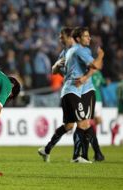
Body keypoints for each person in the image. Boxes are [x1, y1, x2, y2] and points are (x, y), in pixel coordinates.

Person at [38, 27, 104, 163]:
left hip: (83, 90)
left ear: (69, 37)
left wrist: (85, 77)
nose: (59, 39)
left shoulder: (78, 50)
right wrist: (101, 55)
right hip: (74, 90)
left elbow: (92, 68)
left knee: (69, 125)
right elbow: (94, 66)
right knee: (84, 123)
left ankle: (47, 149)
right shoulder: (69, 52)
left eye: (61, 36)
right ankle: (83, 156)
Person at [111, 80, 123, 145]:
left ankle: (112, 141)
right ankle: (113, 141)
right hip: (122, 107)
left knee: (117, 125)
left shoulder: (119, 84)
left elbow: (118, 95)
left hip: (120, 107)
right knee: (117, 126)